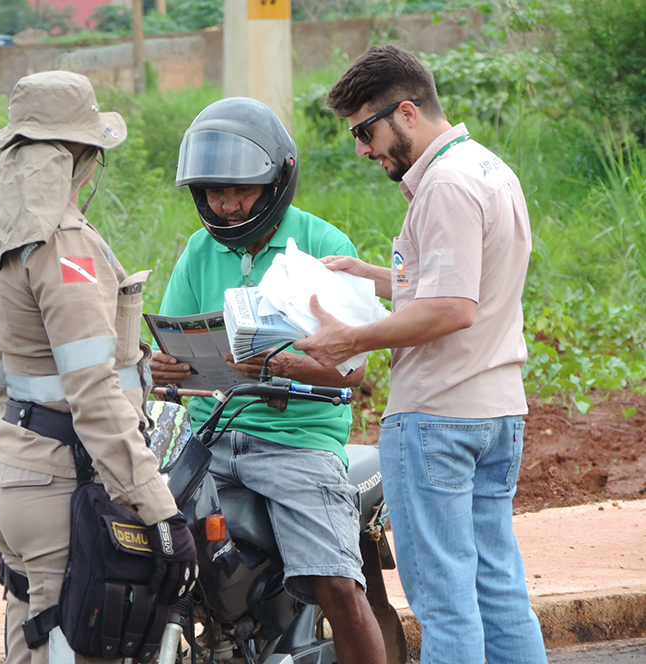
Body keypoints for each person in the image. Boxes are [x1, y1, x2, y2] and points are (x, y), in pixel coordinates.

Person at [294, 45, 548, 664]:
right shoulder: (489, 170)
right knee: (498, 589)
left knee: (445, 604)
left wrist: (349, 338)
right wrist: (372, 275)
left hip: (436, 418)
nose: (362, 148)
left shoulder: (445, 186)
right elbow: (455, 285)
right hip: (495, 413)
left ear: (406, 112)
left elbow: (452, 308)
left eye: (365, 130)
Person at [0, 71, 196, 663]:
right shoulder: (63, 243)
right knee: (76, 645)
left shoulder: (1, 235)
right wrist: (157, 507)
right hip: (59, 482)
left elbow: (7, 374)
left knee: (35, 633)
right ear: (84, 158)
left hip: (13, 467)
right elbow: (93, 390)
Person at [151, 96, 387, 664]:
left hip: (296, 441)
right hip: (207, 439)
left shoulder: (326, 249)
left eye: (240, 191)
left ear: (276, 180)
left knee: (336, 586)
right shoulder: (198, 250)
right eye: (213, 192)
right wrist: (165, 367)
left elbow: (352, 371)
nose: (226, 205)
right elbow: (178, 336)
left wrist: (274, 365)